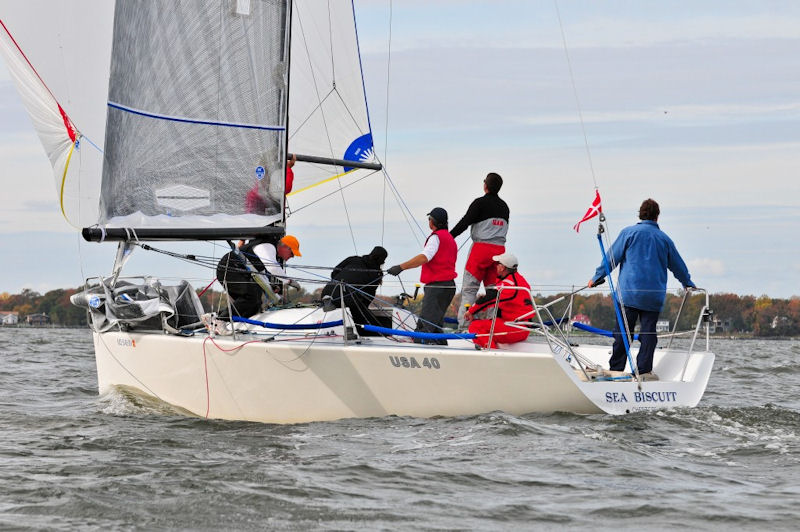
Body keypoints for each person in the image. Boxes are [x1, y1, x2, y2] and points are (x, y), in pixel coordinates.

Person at [588, 199, 696, 375]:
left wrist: (596, 277)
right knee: (648, 335)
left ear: (640, 214)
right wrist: (688, 283)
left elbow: (611, 259)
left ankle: (616, 370)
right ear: (657, 216)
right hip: (653, 297)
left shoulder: (628, 233)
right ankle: (644, 372)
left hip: (628, 295)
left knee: (623, 334)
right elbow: (679, 267)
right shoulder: (664, 239)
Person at [387, 207, 457, 345]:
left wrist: (401, 267)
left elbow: (424, 257)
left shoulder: (436, 238)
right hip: (449, 286)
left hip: (437, 286)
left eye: (429, 219)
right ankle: (442, 351)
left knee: (425, 326)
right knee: (435, 325)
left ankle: (421, 349)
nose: (429, 221)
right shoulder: (450, 238)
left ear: (433, 222)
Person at [449, 172, 509, 328]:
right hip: (500, 254)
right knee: (493, 293)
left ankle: (463, 329)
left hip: (480, 251)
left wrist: (449, 237)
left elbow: (465, 222)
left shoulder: (479, 203)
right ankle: (491, 329)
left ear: (485, 186)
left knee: (469, 291)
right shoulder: (505, 207)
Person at [216, 234, 302, 317]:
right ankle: (221, 320)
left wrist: (274, 292)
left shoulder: (270, 251)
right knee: (250, 297)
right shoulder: (267, 246)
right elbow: (272, 267)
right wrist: (289, 281)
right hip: (229, 268)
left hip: (236, 271)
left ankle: (216, 317)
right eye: (292, 253)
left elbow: (261, 273)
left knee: (255, 304)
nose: (292, 257)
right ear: (285, 247)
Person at [465, 252, 533, 349]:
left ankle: (491, 353)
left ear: (502, 267)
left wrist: (471, 311)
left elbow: (489, 298)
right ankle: (491, 348)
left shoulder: (508, 284)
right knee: (489, 323)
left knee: (475, 326)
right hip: (520, 326)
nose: (496, 266)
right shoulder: (520, 280)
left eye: (497, 264)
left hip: (515, 328)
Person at [321, 246, 388, 330]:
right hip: (347, 300)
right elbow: (368, 296)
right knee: (369, 321)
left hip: (326, 293)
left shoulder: (353, 259)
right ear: (382, 261)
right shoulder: (376, 274)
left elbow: (334, 272)